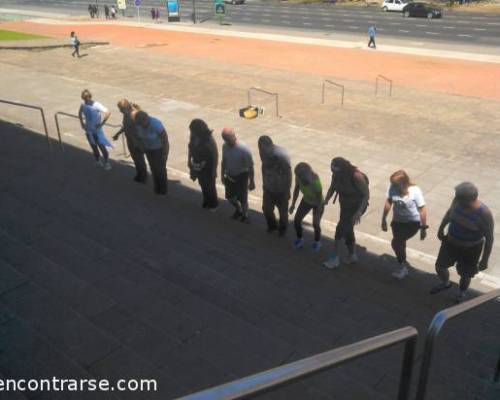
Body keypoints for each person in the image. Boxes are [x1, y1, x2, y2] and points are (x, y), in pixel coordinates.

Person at [431, 182, 494, 303]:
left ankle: (461, 293)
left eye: (459, 199)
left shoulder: (484, 214)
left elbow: (489, 238)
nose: (456, 200)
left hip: (470, 250)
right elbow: (449, 214)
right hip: (450, 243)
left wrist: (485, 260)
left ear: (469, 199)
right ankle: (446, 283)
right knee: (440, 266)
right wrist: (441, 229)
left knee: (465, 275)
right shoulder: (457, 201)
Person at [323, 157, 369, 269]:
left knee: (340, 231)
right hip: (345, 205)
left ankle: (334, 258)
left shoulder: (356, 176)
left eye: (335, 171)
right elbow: (332, 187)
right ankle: (352, 255)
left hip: (356, 207)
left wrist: (358, 212)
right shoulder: (336, 175)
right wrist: (326, 199)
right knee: (348, 229)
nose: (333, 173)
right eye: (332, 171)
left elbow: (366, 195)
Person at [381, 170, 428, 279]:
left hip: (412, 223)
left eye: (395, 184)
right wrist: (383, 219)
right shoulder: (392, 187)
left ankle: (402, 267)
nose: (392, 186)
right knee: (400, 243)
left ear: (403, 183)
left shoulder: (415, 191)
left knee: (396, 243)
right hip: (397, 222)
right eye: (392, 183)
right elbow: (389, 202)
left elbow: (422, 209)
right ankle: (402, 262)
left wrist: (423, 228)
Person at [258, 135, 292, 236]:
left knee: (283, 213)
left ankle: (282, 229)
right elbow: (264, 166)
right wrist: (264, 182)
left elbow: (288, 174)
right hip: (268, 188)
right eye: (260, 149)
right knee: (266, 209)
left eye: (264, 149)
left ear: (271, 146)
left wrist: (287, 190)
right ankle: (272, 225)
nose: (262, 152)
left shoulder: (282, 154)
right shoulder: (263, 152)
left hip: (281, 190)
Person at [221, 128, 255, 223]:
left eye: (229, 138)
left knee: (243, 198)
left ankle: (245, 215)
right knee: (230, 197)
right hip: (230, 175)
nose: (228, 141)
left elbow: (250, 166)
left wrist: (252, 181)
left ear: (233, 136)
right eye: (226, 139)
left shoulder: (243, 149)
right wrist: (222, 174)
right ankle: (238, 209)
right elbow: (223, 161)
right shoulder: (225, 146)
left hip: (242, 176)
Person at [289, 162, 323, 251]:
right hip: (306, 201)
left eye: (300, 176)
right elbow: (296, 189)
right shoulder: (299, 177)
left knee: (316, 224)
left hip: (317, 203)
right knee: (297, 220)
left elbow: (319, 197)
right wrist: (293, 204)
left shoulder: (315, 182)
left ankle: (317, 242)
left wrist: (319, 209)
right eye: (297, 175)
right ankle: (300, 239)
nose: (298, 178)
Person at [135, 111, 169, 195]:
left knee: (160, 170)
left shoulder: (156, 124)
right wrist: (141, 146)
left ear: (146, 120)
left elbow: (165, 139)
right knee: (153, 168)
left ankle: (163, 189)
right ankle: (157, 187)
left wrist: (165, 153)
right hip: (148, 149)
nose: (141, 125)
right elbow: (138, 136)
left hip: (159, 150)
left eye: (141, 123)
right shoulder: (139, 124)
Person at [113, 99, 147, 183]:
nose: (120, 111)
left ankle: (142, 176)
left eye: (120, 109)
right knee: (137, 159)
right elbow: (125, 126)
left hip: (136, 142)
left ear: (126, 107)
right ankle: (140, 174)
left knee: (139, 159)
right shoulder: (128, 113)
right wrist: (118, 134)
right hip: (132, 140)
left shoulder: (132, 115)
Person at [188, 119, 219, 211]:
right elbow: (190, 147)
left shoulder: (209, 140)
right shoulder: (193, 136)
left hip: (207, 167)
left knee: (209, 186)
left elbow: (214, 156)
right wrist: (189, 160)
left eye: (192, 130)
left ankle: (213, 204)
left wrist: (213, 170)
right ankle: (206, 201)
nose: (191, 133)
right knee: (202, 183)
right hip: (197, 163)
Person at [78, 90, 113, 170]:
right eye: (84, 98)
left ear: (90, 97)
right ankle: (98, 160)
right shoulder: (83, 104)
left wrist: (102, 123)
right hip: (89, 130)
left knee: (101, 146)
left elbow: (108, 112)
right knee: (94, 146)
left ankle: (106, 162)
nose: (86, 100)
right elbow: (79, 113)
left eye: (87, 98)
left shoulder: (96, 105)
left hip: (97, 130)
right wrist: (82, 123)